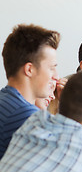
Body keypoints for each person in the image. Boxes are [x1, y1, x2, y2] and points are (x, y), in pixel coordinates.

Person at [0, 24, 60, 159]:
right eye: (51, 68)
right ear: (29, 69)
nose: (56, 76)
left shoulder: (6, 101)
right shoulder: (25, 116)